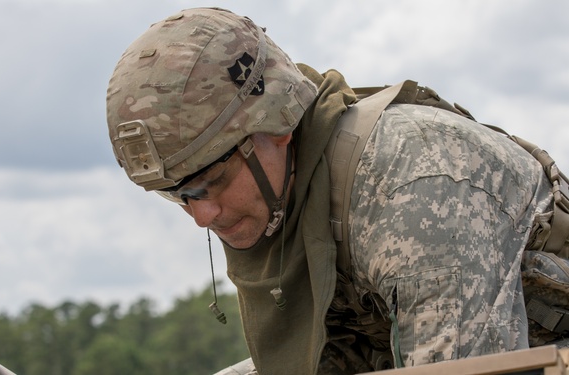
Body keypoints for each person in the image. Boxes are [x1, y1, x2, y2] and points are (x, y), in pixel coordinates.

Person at [105, 7, 569, 375]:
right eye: (179, 195)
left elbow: (467, 367)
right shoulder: (290, 195)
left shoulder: (414, 185)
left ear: (277, 126)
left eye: (213, 183)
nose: (202, 216)